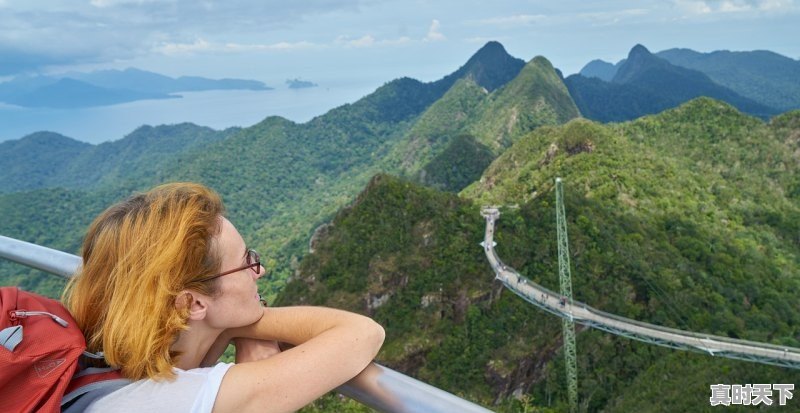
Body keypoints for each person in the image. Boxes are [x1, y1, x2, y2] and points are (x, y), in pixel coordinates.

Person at [62, 182, 385, 413]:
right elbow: (363, 334)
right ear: (192, 303)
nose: (260, 270)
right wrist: (243, 326)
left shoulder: (90, 363)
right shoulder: (180, 399)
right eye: (246, 262)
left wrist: (227, 325)